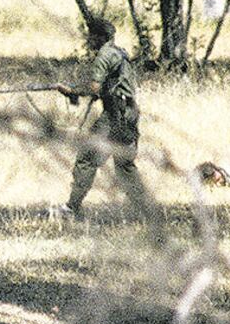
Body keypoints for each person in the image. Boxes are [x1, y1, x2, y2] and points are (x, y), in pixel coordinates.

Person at [50, 18, 153, 220]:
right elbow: (111, 86)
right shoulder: (119, 53)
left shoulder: (103, 56)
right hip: (130, 113)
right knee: (125, 165)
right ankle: (147, 212)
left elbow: (94, 88)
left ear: (101, 37)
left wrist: (71, 91)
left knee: (86, 159)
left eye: (92, 36)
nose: (90, 40)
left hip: (114, 116)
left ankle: (71, 208)